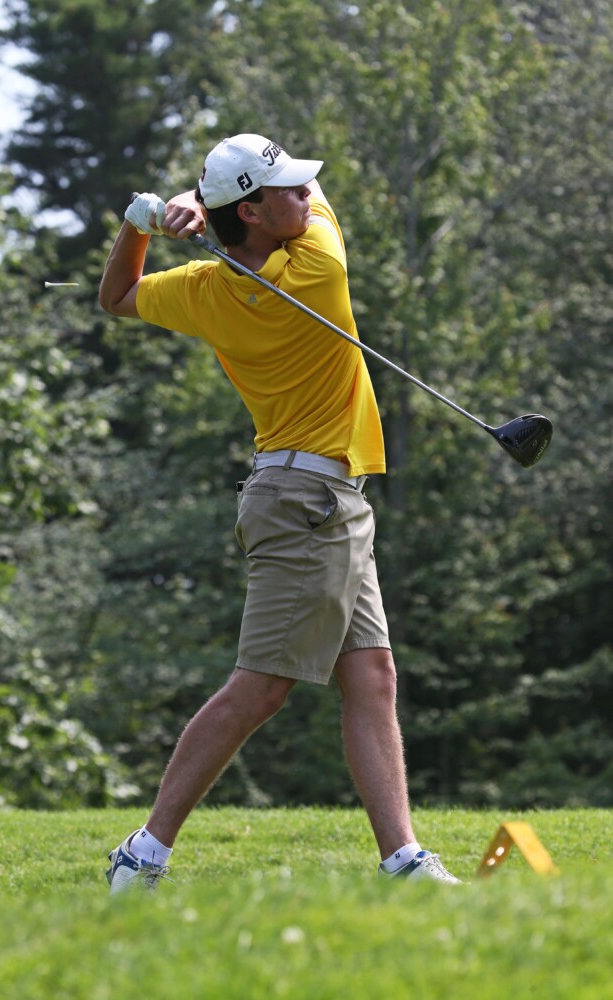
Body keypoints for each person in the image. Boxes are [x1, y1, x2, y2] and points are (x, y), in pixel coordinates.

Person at [99, 133, 460, 890]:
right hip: (306, 505)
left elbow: (118, 298)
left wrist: (143, 221)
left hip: (318, 499)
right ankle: (142, 854)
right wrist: (198, 204)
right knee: (261, 686)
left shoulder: (205, 287)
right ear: (253, 214)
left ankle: (403, 861)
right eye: (286, 189)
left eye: (299, 186)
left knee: (372, 675)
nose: (304, 194)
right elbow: (313, 205)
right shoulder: (317, 263)